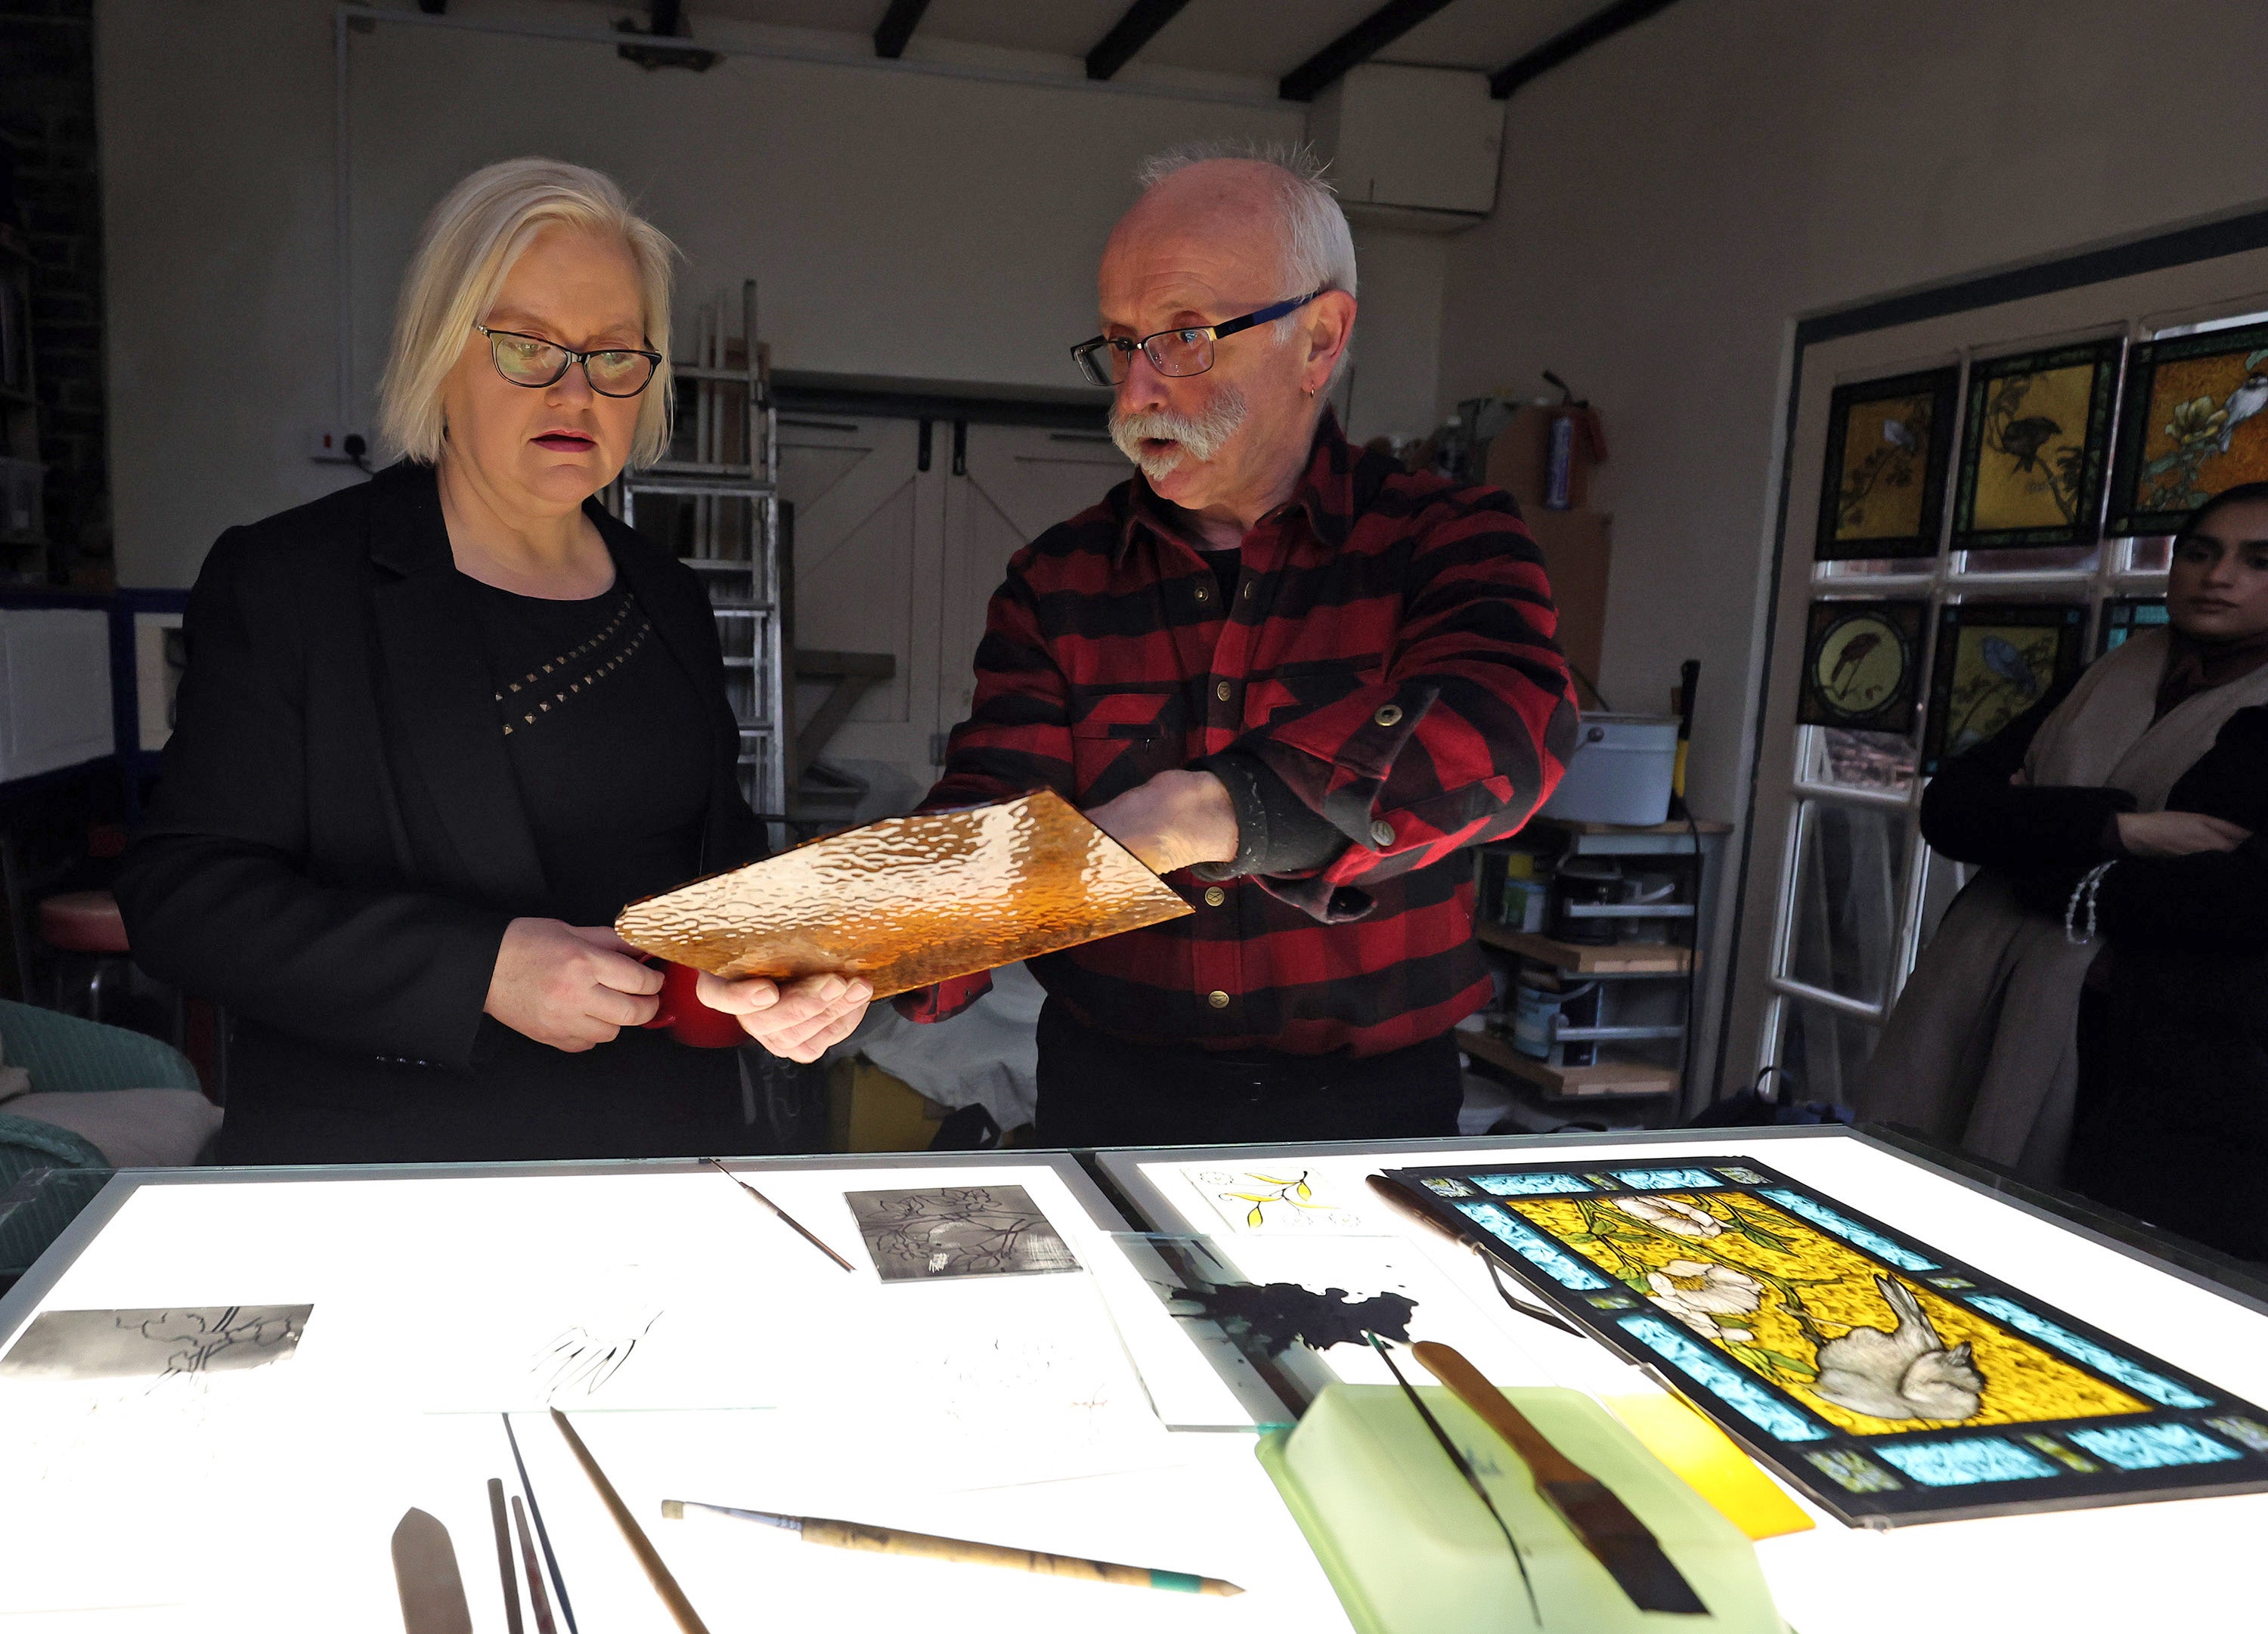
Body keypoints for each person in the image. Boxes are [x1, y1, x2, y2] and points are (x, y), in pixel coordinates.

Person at [708, 143, 1578, 1143]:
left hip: (1369, 1110)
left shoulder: (1444, 536)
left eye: (1187, 338)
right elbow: (996, 809)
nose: (1135, 397)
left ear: (1320, 339)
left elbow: (1511, 728)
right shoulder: (1058, 581)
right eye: (1121, 344)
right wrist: (865, 949)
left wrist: (1199, 813)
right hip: (1110, 1092)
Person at [116, 159, 769, 1163]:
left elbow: (719, 865)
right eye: (525, 346)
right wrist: (479, 970)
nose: (576, 390)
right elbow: (186, 898)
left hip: (660, 1155)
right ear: (439, 350)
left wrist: (793, 964)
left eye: (614, 355)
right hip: (389, 1164)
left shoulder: (666, 593)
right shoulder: (295, 582)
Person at [1855, 484, 2268, 1226]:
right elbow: (1953, 809)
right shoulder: (2113, 673)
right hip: (1986, 990)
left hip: (2163, 1061)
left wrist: (2032, 843)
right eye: (2200, 553)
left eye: (2258, 561)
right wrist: (2126, 833)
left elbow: (2235, 898)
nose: (2219, 576)